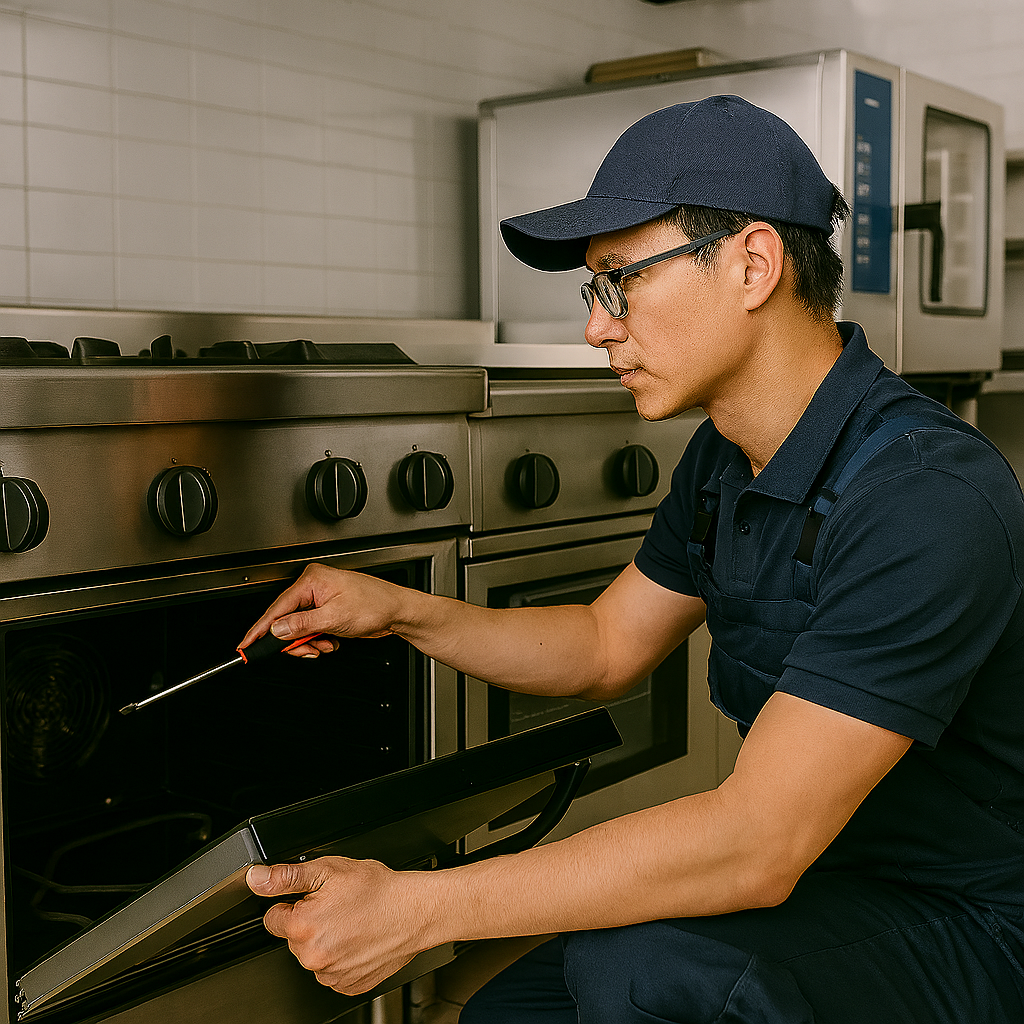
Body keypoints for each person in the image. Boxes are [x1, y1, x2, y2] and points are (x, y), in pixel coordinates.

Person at [240, 95, 1024, 1022]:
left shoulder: (924, 494)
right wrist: (401, 608)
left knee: (646, 973)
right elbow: (606, 645)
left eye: (621, 281)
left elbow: (755, 843)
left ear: (753, 264)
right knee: (510, 1014)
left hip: (972, 921)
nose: (597, 329)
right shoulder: (724, 461)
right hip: (830, 882)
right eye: (593, 292)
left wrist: (420, 909)